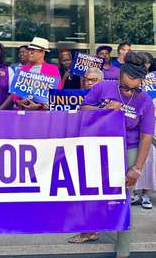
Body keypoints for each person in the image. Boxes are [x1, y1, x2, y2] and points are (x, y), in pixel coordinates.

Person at [81, 52, 154, 258]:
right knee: (94, 192)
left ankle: (123, 249)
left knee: (123, 200)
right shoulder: (103, 88)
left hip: (128, 150)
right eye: (125, 88)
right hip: (99, 148)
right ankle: (91, 229)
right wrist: (104, 108)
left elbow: (146, 137)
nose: (129, 92)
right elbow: (82, 110)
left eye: (135, 88)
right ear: (119, 77)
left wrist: (137, 168)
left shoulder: (145, 101)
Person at [68, 67, 104, 244]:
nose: (89, 83)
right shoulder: (75, 97)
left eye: (94, 80)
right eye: (87, 79)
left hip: (99, 151)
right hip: (79, 147)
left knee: (93, 190)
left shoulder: (108, 99)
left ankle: (91, 230)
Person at [132, 52, 156, 209]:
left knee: (149, 159)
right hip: (134, 123)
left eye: (146, 63)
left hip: (152, 123)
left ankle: (146, 194)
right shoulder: (131, 79)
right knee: (134, 156)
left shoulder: (155, 80)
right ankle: (134, 192)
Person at [14, 37, 62, 110]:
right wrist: (19, 101)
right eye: (29, 50)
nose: (29, 53)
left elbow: (56, 92)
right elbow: (15, 93)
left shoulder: (52, 69)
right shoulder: (22, 69)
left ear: (42, 52)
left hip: (43, 114)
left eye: (33, 50)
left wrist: (39, 105)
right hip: (25, 113)